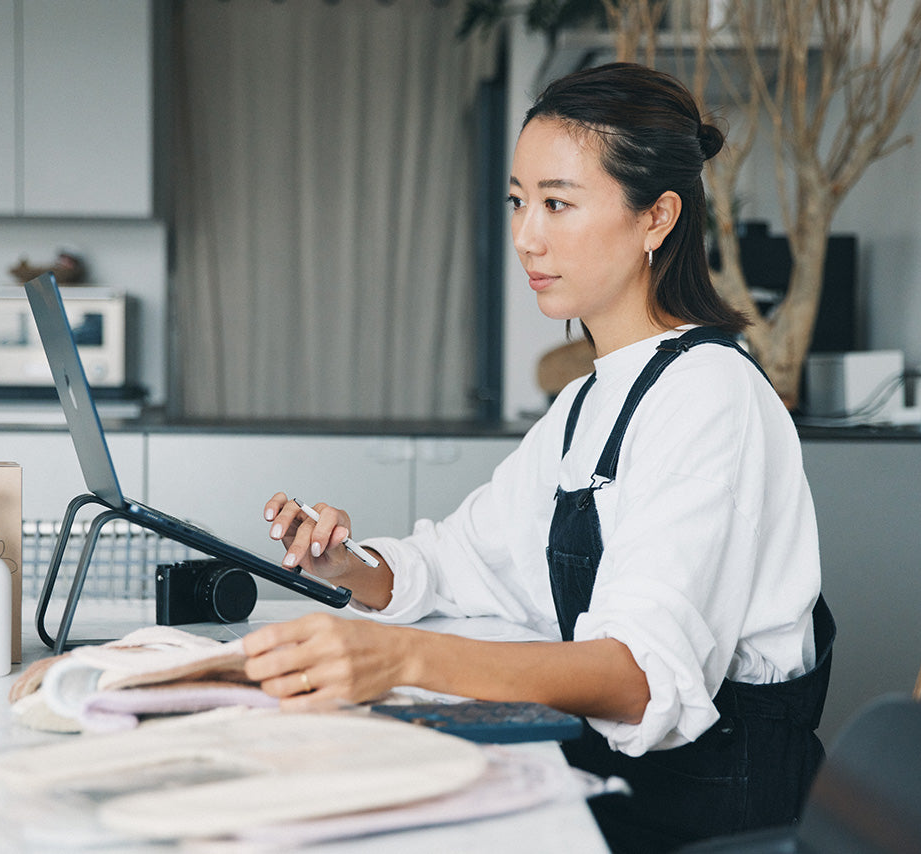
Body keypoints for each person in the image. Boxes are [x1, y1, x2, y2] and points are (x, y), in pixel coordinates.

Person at [241, 62, 833, 853]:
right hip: (619, 782)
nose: (526, 236)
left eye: (557, 203)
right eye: (519, 202)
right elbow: (465, 560)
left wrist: (399, 657)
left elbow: (636, 676)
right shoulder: (589, 400)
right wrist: (348, 564)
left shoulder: (709, 397)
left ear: (656, 216)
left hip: (708, 815)